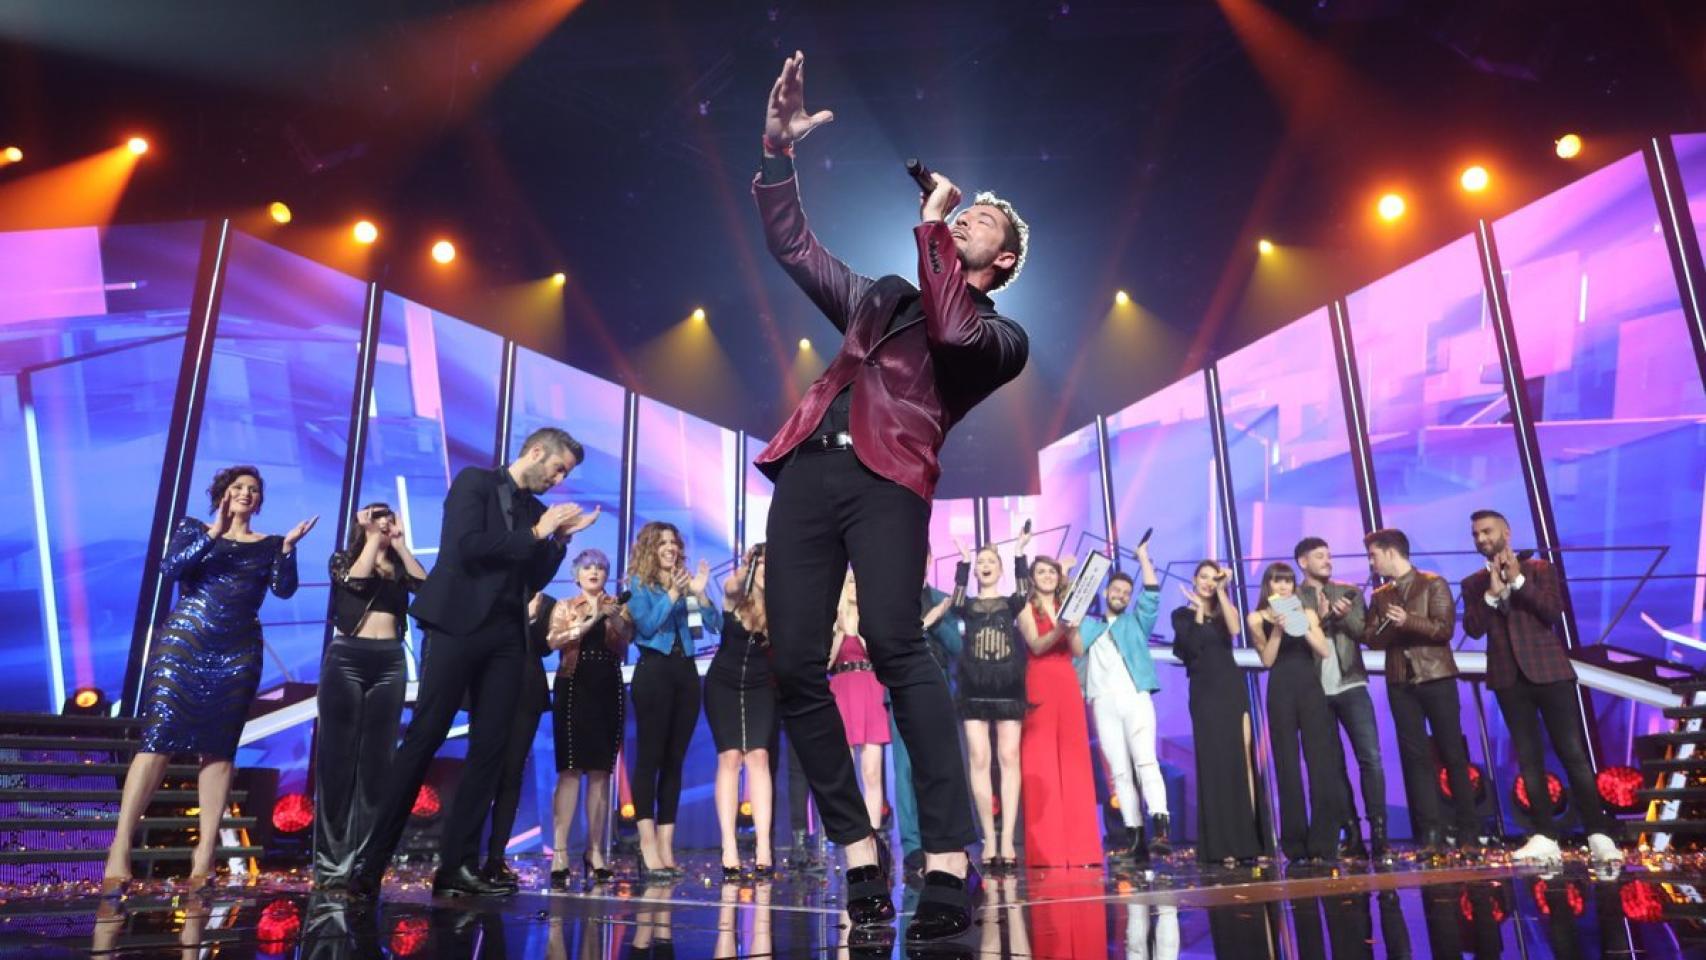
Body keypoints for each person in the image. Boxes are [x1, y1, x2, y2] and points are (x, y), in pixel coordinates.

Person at [754, 50, 1030, 941]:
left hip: (890, 477)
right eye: (965, 207)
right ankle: (861, 850)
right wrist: (774, 156)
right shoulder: (877, 298)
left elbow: (950, 325)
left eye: (982, 218)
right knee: (795, 663)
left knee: (895, 642)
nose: (968, 215)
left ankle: (949, 855)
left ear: (1006, 256)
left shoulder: (1001, 335)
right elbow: (794, 246)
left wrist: (934, 224)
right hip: (811, 466)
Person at [349, 428, 596, 900]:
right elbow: (467, 548)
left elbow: (534, 574)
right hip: (456, 626)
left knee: (491, 749)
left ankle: (457, 867)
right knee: (425, 737)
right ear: (537, 452)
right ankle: (370, 862)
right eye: (559, 467)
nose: (560, 478)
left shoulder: (536, 513)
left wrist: (558, 541)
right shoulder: (475, 483)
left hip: (506, 636)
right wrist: (537, 533)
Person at [102, 465, 313, 893]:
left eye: (254, 490)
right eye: (238, 487)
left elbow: (285, 589)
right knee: (157, 742)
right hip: (184, 647)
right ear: (222, 493)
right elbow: (171, 568)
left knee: (218, 751)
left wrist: (288, 549)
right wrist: (214, 532)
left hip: (237, 652)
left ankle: (204, 857)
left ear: (260, 500)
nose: (246, 494)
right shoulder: (194, 529)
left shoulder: (270, 544)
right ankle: (120, 846)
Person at [1460, 509, 1622, 868]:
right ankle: (1544, 835)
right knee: (1528, 758)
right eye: (1476, 535)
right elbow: (1473, 628)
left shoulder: (1539, 570)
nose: (1482, 539)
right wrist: (1491, 594)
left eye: (1487, 531)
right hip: (1508, 678)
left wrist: (1518, 583)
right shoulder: (1473, 583)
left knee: (1572, 754)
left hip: (1549, 672)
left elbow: (1552, 612)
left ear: (1506, 531)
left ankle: (1598, 833)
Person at [314, 502, 425, 890]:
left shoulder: (398, 565)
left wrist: (400, 545)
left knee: (378, 763)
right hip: (347, 658)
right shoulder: (344, 558)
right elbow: (357, 582)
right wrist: (372, 539)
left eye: (387, 516)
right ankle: (332, 864)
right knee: (338, 760)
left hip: (389, 662)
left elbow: (426, 590)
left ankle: (366, 860)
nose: (383, 521)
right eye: (375, 516)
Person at [1362, 528, 1479, 855]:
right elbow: (1371, 638)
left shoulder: (1433, 583)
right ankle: (1430, 833)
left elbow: (1444, 629)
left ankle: (1469, 830)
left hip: (1436, 677)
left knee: (1453, 754)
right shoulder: (1380, 594)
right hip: (1401, 681)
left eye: (1373, 555)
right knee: (1415, 759)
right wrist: (1388, 625)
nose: (1371, 562)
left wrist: (1408, 621)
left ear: (1390, 552)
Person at [626, 521, 719, 880]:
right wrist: (675, 596)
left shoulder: (686, 583)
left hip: (685, 674)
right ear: (651, 548)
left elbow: (715, 626)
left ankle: (667, 845)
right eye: (662, 542)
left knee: (675, 761)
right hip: (654, 673)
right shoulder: (639, 584)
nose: (670, 547)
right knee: (650, 758)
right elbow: (647, 627)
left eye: (674, 542)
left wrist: (701, 594)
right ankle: (646, 843)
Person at [541, 549, 632, 888]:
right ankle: (561, 852)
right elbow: (553, 641)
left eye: (600, 567)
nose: (594, 572)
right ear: (577, 574)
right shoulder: (565, 606)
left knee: (600, 771)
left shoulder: (618, 604)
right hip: (573, 685)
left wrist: (614, 617)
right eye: (587, 567)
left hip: (607, 685)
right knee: (569, 769)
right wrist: (592, 618)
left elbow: (626, 639)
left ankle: (595, 852)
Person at [1246, 562, 1347, 864]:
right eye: (1278, 582)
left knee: (1320, 763)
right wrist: (1277, 629)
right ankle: (1295, 843)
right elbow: (1266, 660)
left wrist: (1298, 623)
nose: (1284, 587)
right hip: (1280, 691)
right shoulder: (1255, 617)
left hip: (1309, 689)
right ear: (1268, 586)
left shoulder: (1308, 613)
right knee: (1287, 765)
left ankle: (1323, 842)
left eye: (1288, 582)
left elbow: (1324, 650)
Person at [1293, 536, 1386, 860]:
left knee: (1370, 757)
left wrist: (1343, 614)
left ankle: (1379, 831)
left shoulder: (1349, 591)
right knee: (1332, 766)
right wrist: (1319, 617)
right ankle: (1352, 833)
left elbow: (1365, 632)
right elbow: (1295, 642)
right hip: (1315, 691)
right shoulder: (1291, 597)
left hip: (1351, 683)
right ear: (1303, 562)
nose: (1327, 561)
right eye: (1320, 556)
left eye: (1329, 555)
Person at [1076, 539, 1167, 862]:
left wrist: (1143, 557)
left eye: (1126, 593)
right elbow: (1070, 641)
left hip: (1135, 697)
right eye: (1116, 590)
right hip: (1102, 702)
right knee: (1119, 772)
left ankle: (1160, 828)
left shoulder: (1136, 623)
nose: (1121, 595)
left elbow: (1152, 595)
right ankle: (1134, 839)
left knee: (1145, 760)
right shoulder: (1088, 626)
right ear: (1105, 593)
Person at [1173, 561, 1267, 866]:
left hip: (1231, 689)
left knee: (1240, 761)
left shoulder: (1222, 609)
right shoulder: (1182, 616)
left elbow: (1236, 629)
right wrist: (1199, 608)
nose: (1208, 583)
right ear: (1194, 579)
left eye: (1213, 579)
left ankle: (1249, 840)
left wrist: (1224, 592)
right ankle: (1221, 844)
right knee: (1214, 766)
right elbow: (1194, 645)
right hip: (1204, 694)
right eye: (1203, 577)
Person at [951, 533, 1032, 873]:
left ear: (999, 571)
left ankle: (1008, 839)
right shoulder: (967, 606)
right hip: (974, 687)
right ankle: (988, 838)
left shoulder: (1011, 602)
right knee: (980, 758)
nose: (985, 566)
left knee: (1009, 757)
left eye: (990, 562)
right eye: (981, 563)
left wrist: (1018, 555)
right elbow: (955, 601)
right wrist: (964, 561)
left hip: (1008, 686)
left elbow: (1025, 593)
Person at [1017, 554, 1103, 867]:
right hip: (1039, 679)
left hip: (1066, 681)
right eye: (1041, 571)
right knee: (1041, 760)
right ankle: (1047, 851)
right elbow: (1037, 646)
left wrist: (1072, 628)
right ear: (1033, 578)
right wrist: (1060, 629)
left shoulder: (1068, 606)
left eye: (1051, 571)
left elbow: (1078, 650)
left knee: (1074, 759)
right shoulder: (1027, 608)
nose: (1047, 575)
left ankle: (1081, 849)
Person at [704, 544, 778, 879]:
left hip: (762, 684)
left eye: (769, 564)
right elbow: (731, 587)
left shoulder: (782, 600)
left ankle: (764, 845)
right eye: (760, 564)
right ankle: (728, 845)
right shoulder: (737, 592)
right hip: (723, 682)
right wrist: (748, 569)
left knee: (759, 756)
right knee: (730, 757)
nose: (765, 569)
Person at [482, 571, 555, 891]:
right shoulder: (491, 591)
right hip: (492, 687)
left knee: (512, 774)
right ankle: (463, 856)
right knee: (483, 772)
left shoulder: (546, 601)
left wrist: (538, 617)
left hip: (527, 689)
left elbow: (543, 647)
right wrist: (523, 618)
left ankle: (495, 858)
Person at [892, 555, 960, 877]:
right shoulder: (890, 595)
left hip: (937, 690)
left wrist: (936, 619)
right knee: (905, 771)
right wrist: (924, 622)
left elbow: (957, 646)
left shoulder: (940, 599)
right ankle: (912, 846)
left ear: (928, 557)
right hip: (900, 689)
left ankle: (941, 839)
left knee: (939, 767)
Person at [829, 572, 892, 837]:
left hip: (871, 689)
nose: (855, 587)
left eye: (859, 582)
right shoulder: (835, 621)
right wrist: (841, 632)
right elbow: (827, 663)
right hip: (842, 689)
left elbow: (881, 656)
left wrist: (862, 630)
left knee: (872, 771)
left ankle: (873, 834)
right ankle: (850, 834)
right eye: (851, 582)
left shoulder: (873, 619)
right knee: (844, 771)